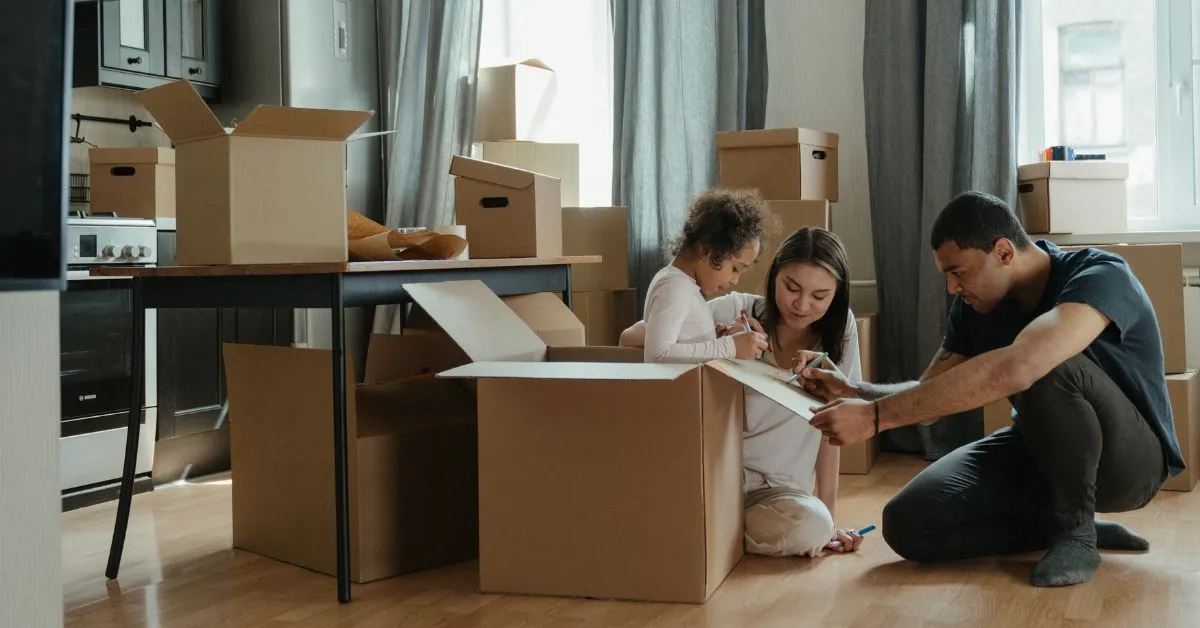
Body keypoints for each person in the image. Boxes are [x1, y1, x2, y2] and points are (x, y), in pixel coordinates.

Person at [796, 191, 1182, 587]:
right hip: (1039, 452)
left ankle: (1076, 533)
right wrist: (855, 392)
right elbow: (931, 394)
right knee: (908, 524)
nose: (951, 288)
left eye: (958, 272)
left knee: (1045, 362)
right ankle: (1056, 527)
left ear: (1003, 252)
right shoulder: (974, 307)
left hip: (1131, 465)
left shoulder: (1100, 274)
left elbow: (1024, 365)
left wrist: (875, 419)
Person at [622, 227, 867, 556]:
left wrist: (830, 519)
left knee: (815, 528)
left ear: (837, 294)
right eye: (791, 288)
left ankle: (709, 532)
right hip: (716, 479)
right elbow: (631, 338)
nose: (802, 305)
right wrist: (721, 342)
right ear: (774, 276)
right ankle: (712, 530)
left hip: (779, 494)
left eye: (819, 296)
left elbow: (832, 428)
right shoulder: (735, 310)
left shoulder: (841, 332)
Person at [640, 188, 769, 363]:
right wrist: (729, 347)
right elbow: (657, 355)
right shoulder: (674, 287)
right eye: (735, 269)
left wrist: (711, 339)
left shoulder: (684, 285)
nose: (735, 280)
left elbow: (682, 345)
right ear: (707, 249)